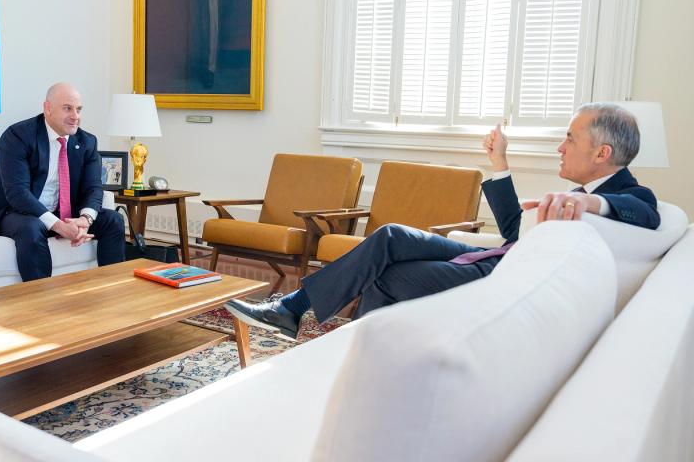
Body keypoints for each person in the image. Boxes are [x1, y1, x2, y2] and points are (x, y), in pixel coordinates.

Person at [225, 103, 661, 340]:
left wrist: (594, 207)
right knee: (391, 235)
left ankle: (334, 340)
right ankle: (294, 310)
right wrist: (500, 162)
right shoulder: (578, 193)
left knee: (382, 273)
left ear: (603, 154)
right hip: (496, 252)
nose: (561, 148)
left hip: (503, 273)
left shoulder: (628, 197)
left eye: (570, 138)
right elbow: (512, 230)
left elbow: (647, 213)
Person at [0, 82, 125, 281]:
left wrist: (85, 219)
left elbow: (94, 187)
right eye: (67, 108)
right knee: (32, 227)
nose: (75, 116)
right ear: (47, 108)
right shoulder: (18, 136)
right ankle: (42, 303)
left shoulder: (87, 142)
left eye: (78, 109)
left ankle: (113, 290)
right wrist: (58, 226)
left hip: (60, 210)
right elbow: (17, 193)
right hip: (13, 211)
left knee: (113, 220)